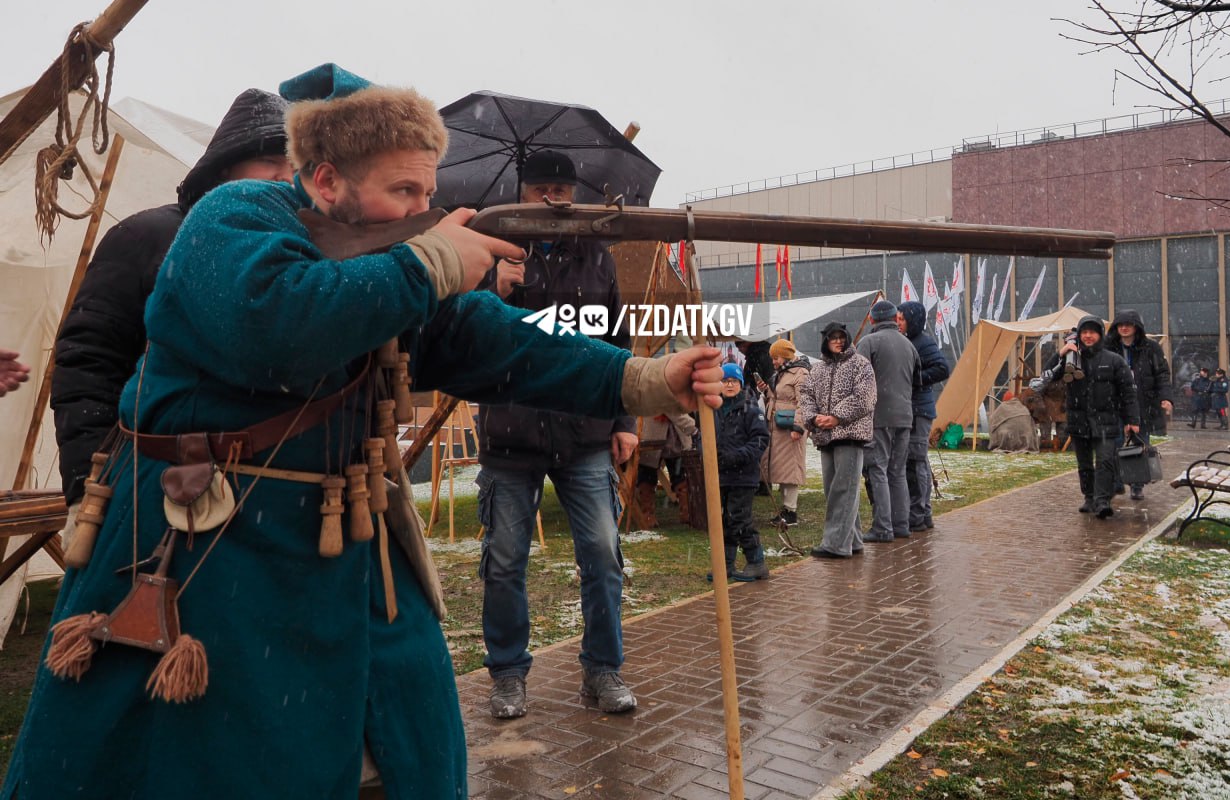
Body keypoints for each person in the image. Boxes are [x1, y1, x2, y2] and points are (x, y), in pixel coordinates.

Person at [1, 77, 723, 800]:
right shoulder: (234, 213)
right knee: (206, 758)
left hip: (345, 542)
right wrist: (432, 261)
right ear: (324, 179)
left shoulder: (390, 263)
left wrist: (647, 380)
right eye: (402, 191)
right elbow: (277, 326)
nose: (421, 210)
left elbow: (502, 343)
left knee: (408, 740)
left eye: (427, 191)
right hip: (208, 549)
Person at [50, 89, 293, 536]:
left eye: (297, 165)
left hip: (278, 490)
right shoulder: (148, 236)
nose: (284, 176)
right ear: (227, 165)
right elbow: (88, 360)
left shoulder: (300, 255)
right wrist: (88, 483)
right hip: (154, 478)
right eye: (269, 159)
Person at [475, 148, 641, 721]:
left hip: (585, 433)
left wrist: (622, 420)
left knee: (602, 554)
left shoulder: (597, 256)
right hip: (510, 430)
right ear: (521, 191)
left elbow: (617, 345)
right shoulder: (489, 249)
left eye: (563, 191)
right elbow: (461, 339)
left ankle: (602, 669)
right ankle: (507, 674)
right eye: (542, 188)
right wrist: (491, 291)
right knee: (503, 561)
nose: (554, 200)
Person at [1047, 317, 1140, 519]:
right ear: (1079, 335)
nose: (1088, 336)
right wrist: (1059, 355)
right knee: (1085, 464)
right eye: (1084, 332)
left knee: (1106, 461)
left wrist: (1133, 420)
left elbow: (1128, 392)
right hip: (1079, 421)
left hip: (1106, 421)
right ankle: (1089, 497)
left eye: (1093, 332)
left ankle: (1102, 500)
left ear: (1100, 335)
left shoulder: (1114, 360)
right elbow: (1047, 377)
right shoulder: (1071, 359)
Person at [798, 321, 876, 559]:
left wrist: (836, 417)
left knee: (844, 490)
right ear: (825, 340)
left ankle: (835, 545)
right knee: (834, 490)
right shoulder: (817, 369)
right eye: (833, 337)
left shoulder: (861, 365)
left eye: (841, 337)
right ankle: (853, 540)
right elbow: (806, 394)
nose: (838, 341)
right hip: (825, 437)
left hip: (850, 436)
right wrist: (814, 418)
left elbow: (865, 398)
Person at [856, 299, 921, 542]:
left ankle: (883, 528)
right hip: (905, 416)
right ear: (895, 319)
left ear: (872, 320)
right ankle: (901, 525)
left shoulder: (868, 342)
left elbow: (857, 379)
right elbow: (918, 381)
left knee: (878, 470)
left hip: (879, 416)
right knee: (898, 471)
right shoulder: (908, 344)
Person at [708, 362, 771, 581]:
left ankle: (757, 562)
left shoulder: (750, 409)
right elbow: (703, 436)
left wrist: (738, 456)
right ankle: (725, 564)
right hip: (721, 475)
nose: (729, 385)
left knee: (740, 520)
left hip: (744, 476)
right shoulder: (713, 409)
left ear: (741, 384)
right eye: (725, 381)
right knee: (723, 520)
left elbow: (761, 439)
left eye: (734, 381)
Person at [1102, 310, 1173, 499]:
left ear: (1136, 327)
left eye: (1129, 324)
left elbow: (1162, 375)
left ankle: (1137, 483)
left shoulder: (1151, 348)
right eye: (1120, 325)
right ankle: (1116, 482)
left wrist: (1165, 398)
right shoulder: (1108, 347)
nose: (1124, 328)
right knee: (1115, 443)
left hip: (1143, 403)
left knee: (1140, 443)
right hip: (1115, 403)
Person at [896, 301, 950, 531]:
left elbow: (942, 369)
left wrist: (913, 378)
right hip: (912, 408)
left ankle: (917, 514)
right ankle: (923, 513)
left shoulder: (923, 342)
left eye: (901, 318)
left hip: (919, 410)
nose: (897, 322)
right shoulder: (907, 340)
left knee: (915, 461)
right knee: (916, 461)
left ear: (912, 320)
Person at [761, 338, 810, 527]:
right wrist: (766, 392)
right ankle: (786, 509)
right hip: (778, 428)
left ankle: (791, 511)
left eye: (776, 357)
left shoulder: (800, 373)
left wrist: (798, 427)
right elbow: (779, 397)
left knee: (790, 470)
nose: (773, 362)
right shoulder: (782, 373)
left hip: (790, 428)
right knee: (781, 469)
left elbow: (804, 402)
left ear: (785, 356)